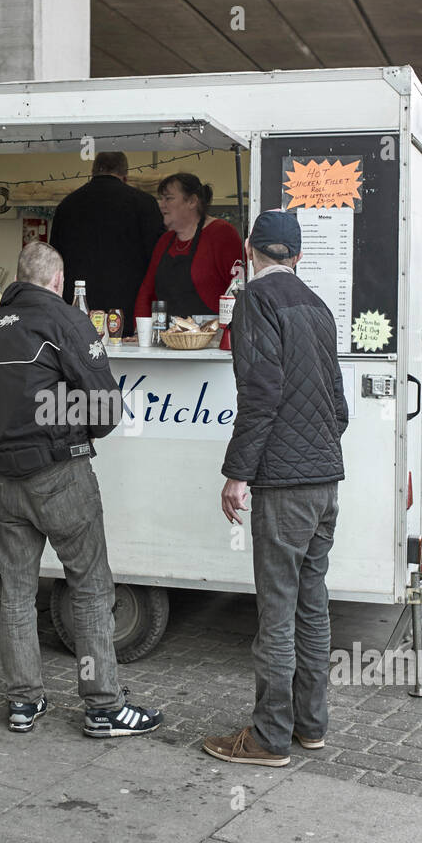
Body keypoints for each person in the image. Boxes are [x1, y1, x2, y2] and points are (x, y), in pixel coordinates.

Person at [0, 241, 163, 737]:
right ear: (59, 281)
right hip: (62, 475)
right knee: (90, 590)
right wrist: (68, 429)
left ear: (19, 278)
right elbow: (106, 409)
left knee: (17, 595)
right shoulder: (67, 322)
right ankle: (103, 707)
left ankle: (24, 703)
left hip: (5, 481)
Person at [202, 210, 348, 767]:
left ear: (248, 250)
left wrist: (238, 473)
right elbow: (337, 405)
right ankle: (311, 725)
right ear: (299, 256)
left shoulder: (255, 302)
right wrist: (315, 451)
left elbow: (259, 392)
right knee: (312, 606)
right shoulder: (317, 305)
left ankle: (268, 738)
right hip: (325, 481)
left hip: (285, 486)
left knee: (277, 611)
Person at [49, 151, 164, 337]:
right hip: (127, 313)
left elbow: (53, 261)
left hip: (78, 314)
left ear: (92, 172)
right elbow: (159, 260)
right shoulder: (144, 204)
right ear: (125, 176)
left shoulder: (67, 206)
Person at [133, 172, 243, 325]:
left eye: (168, 198)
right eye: (161, 198)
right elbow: (146, 292)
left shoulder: (221, 234)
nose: (161, 204)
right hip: (167, 337)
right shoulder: (165, 241)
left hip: (210, 339)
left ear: (192, 201)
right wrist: (142, 332)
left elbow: (239, 289)